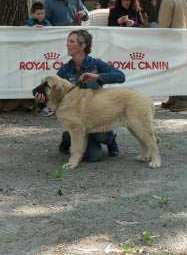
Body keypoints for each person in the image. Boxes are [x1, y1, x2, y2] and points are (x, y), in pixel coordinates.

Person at [35, 29, 125, 162]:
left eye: (71, 42)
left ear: (83, 46)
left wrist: (97, 76)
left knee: (95, 151)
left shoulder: (96, 64)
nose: (67, 44)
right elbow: (55, 98)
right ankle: (68, 139)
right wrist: (42, 101)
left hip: (97, 116)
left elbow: (120, 76)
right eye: (67, 41)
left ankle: (110, 139)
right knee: (84, 147)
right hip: (77, 118)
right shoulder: (64, 70)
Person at [157, 0, 187, 112]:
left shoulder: (168, 0)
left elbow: (163, 25)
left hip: (171, 42)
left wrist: (159, 40)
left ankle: (182, 102)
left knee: (175, 70)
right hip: (184, 40)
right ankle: (174, 99)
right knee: (180, 70)